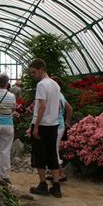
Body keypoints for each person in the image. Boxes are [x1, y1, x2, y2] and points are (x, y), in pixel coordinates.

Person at [28, 58, 62, 198]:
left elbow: (42, 106)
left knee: (39, 155)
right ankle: (56, 186)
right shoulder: (55, 85)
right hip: (53, 124)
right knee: (52, 154)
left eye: (34, 72)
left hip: (42, 124)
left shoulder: (42, 85)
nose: (33, 75)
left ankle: (43, 185)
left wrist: (35, 127)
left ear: (41, 69)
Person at [50, 76, 73, 182]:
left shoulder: (55, 96)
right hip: (61, 124)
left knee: (53, 150)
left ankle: (60, 174)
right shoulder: (61, 95)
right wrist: (67, 122)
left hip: (56, 125)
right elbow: (70, 109)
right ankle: (57, 173)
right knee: (54, 149)